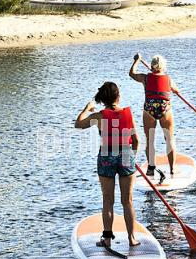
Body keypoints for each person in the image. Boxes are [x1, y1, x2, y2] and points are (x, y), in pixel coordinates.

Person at [75, 82, 140, 248]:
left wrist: (87, 109)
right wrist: (132, 157)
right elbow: (137, 141)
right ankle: (132, 238)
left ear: (102, 100)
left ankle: (107, 239)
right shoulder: (128, 114)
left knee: (108, 201)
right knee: (128, 201)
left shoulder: (99, 116)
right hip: (126, 155)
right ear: (118, 96)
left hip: (106, 156)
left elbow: (78, 124)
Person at [129, 53, 177, 176]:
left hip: (149, 110)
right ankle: (172, 169)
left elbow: (132, 74)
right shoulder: (168, 79)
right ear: (163, 67)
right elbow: (176, 90)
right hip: (165, 110)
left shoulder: (145, 78)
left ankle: (151, 168)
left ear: (151, 66)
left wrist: (137, 61)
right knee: (169, 140)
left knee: (150, 140)